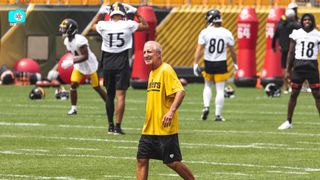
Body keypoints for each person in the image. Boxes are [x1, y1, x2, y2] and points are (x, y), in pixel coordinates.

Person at [136, 41, 195, 180]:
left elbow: (180, 92)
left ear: (159, 54)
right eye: (144, 52)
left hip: (164, 128)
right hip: (149, 128)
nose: (146, 55)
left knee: (172, 162)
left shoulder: (166, 69)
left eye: (149, 52)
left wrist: (171, 112)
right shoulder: (152, 73)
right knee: (141, 159)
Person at [92, 2, 149, 135]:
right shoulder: (128, 24)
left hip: (107, 62)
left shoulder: (104, 25)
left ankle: (110, 126)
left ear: (110, 13)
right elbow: (145, 25)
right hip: (122, 62)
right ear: (123, 13)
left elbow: (93, 26)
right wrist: (136, 12)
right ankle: (118, 127)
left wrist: (100, 12)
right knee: (121, 96)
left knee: (110, 95)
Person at [193, 9, 237, 121]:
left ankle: (206, 106)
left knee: (207, 86)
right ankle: (217, 115)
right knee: (220, 90)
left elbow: (199, 50)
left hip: (208, 62)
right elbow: (232, 51)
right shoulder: (227, 33)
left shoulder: (204, 32)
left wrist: (195, 63)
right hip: (221, 63)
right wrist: (235, 63)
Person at [278, 13, 320, 130]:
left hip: (312, 67)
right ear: (302, 21)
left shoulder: (317, 35)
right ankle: (288, 121)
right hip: (298, 67)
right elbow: (291, 53)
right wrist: (287, 69)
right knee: (294, 94)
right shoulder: (296, 33)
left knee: (317, 94)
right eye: (305, 20)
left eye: (309, 20)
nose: (307, 22)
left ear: (313, 21)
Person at [59, 18, 107, 115]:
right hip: (79, 66)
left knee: (96, 87)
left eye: (64, 28)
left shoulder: (80, 40)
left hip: (90, 66)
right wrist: (71, 61)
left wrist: (71, 62)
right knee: (73, 85)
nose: (62, 30)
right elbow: (74, 54)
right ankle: (73, 109)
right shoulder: (67, 41)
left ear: (70, 30)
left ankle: (109, 104)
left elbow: (85, 56)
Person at [272, 8, 301, 94]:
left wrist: (273, 46)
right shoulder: (294, 25)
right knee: (292, 69)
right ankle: (292, 86)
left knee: (284, 69)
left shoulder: (280, 25)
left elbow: (274, 37)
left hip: (283, 50)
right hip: (292, 50)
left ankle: (285, 87)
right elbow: (302, 29)